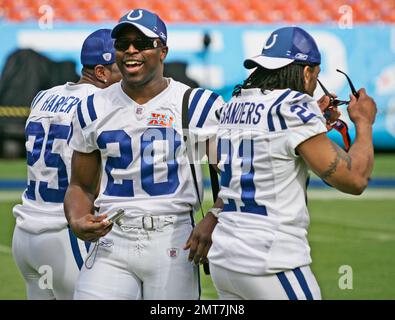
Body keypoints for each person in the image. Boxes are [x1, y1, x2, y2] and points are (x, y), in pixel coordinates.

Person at [64, 8, 224, 300]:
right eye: (123, 44)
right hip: (111, 237)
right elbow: (80, 186)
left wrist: (213, 218)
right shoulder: (92, 107)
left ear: (162, 50)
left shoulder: (194, 105)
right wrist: (76, 218)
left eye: (141, 43)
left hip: (173, 240)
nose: (131, 50)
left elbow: (236, 178)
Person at [206, 26, 377, 300]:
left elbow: (225, 162)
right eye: (315, 76)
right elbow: (355, 179)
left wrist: (313, 124)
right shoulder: (292, 108)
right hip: (270, 262)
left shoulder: (233, 104)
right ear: (306, 72)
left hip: (225, 260)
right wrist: (364, 122)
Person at [12, 29, 121, 300]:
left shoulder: (44, 96)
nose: (129, 75)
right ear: (102, 72)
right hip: (65, 232)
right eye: (121, 67)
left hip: (26, 233)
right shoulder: (100, 104)